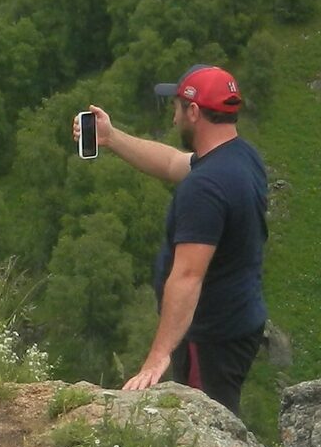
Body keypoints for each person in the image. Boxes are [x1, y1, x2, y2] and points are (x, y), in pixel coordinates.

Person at [75, 65, 268, 418]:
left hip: (210, 335)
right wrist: (112, 138)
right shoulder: (240, 157)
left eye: (178, 106)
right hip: (238, 321)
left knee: (208, 425)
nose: (175, 115)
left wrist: (157, 358)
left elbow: (187, 277)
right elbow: (171, 163)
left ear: (194, 112)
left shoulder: (206, 187)